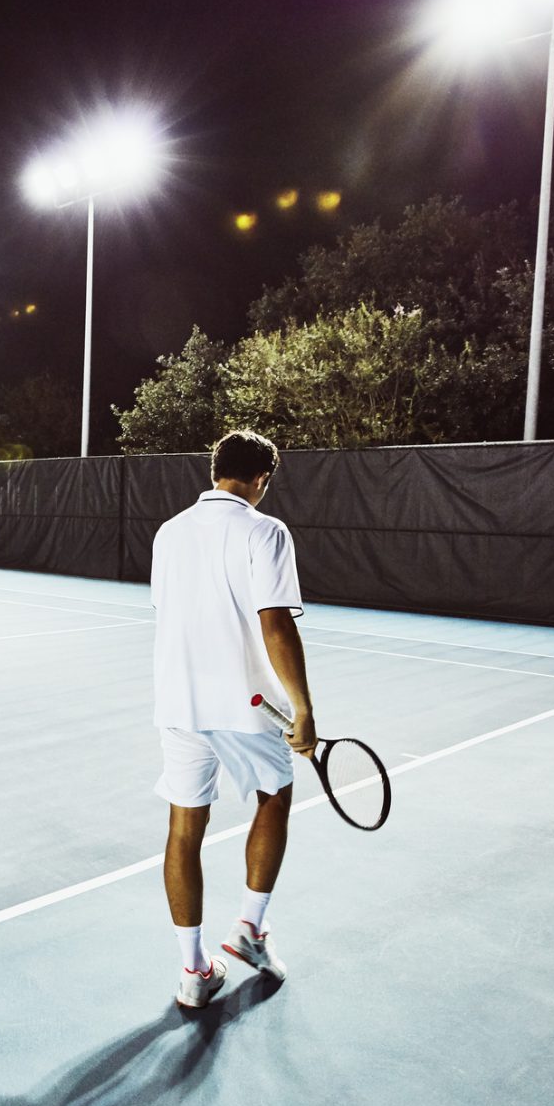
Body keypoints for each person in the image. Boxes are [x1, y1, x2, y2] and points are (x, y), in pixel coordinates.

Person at [151, 430, 318, 1009]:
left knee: (183, 828)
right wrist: (303, 709)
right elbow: (276, 624)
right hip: (244, 706)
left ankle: (195, 971)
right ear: (261, 480)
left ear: (214, 469)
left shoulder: (168, 533)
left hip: (176, 703)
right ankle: (249, 931)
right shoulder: (265, 530)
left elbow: (174, 612)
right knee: (275, 797)